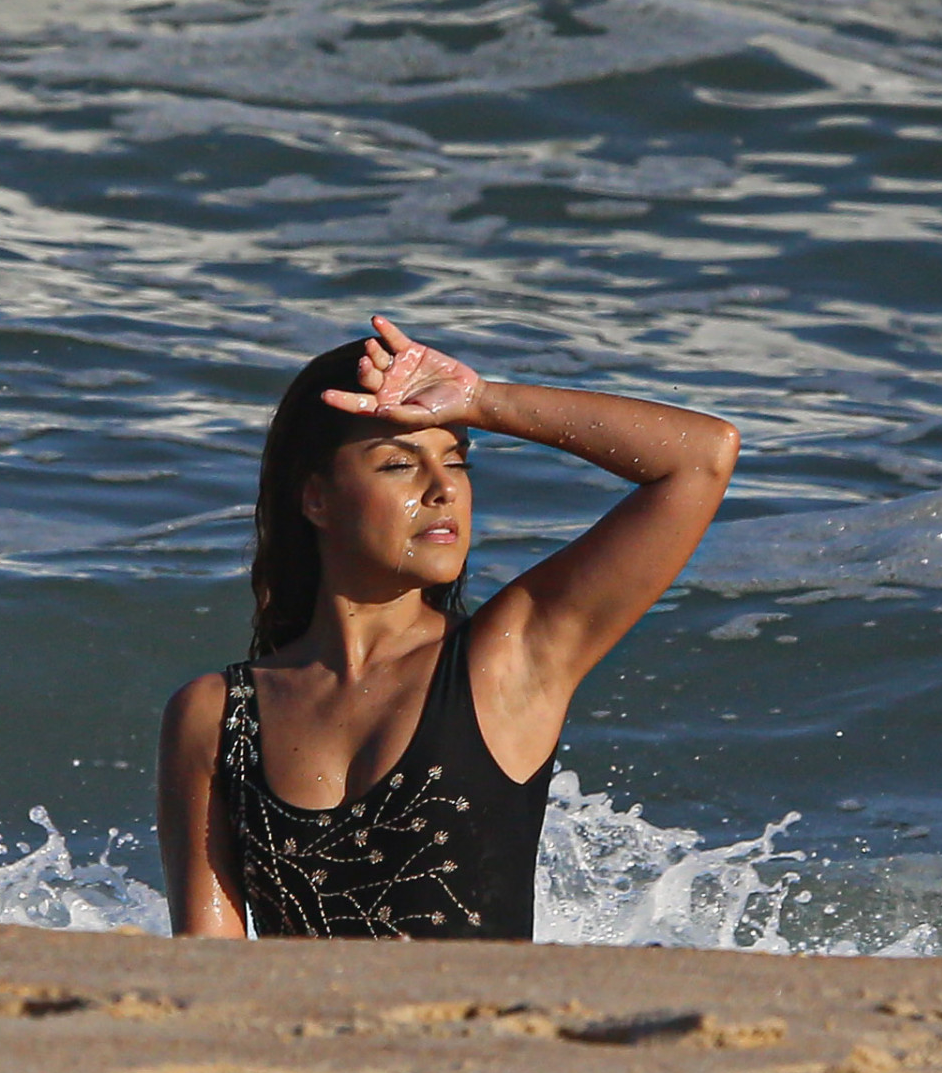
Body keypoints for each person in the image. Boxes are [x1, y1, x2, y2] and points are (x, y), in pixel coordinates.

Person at [156, 315, 738, 940]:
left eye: (457, 463)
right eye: (399, 465)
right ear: (316, 499)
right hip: (302, 1035)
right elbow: (208, 968)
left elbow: (701, 457)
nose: (442, 491)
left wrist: (485, 402)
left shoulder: (503, 661)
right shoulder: (217, 716)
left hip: (477, 1035)